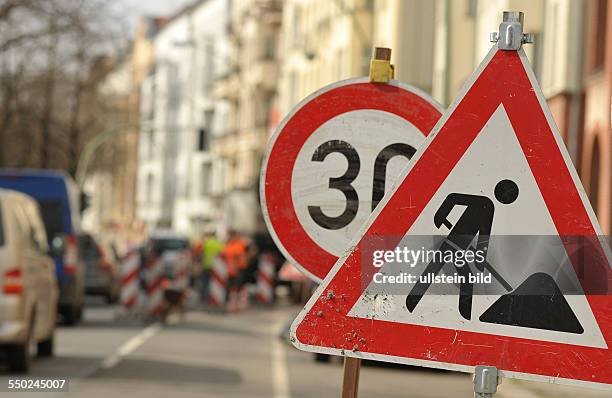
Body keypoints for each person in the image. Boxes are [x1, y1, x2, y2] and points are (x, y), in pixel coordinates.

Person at [406, 179, 519, 320]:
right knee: (435, 272)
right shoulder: (485, 204)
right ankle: (412, 303)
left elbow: (484, 236)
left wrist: (480, 258)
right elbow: (454, 198)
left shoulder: (487, 206)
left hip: (457, 249)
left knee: (445, 273)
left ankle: (463, 315)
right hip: (451, 244)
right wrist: (440, 217)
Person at [223, 230, 249, 311]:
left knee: (237, 286)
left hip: (239, 268)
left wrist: (236, 266)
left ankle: (239, 303)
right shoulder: (229, 244)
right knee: (233, 286)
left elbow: (238, 256)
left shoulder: (239, 244)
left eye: (230, 235)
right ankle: (235, 303)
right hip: (231, 269)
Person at [199, 232, 224, 303]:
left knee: (205, 282)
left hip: (206, 265)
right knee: (214, 283)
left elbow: (201, 253)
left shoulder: (207, 243)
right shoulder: (219, 244)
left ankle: (204, 297)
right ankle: (213, 296)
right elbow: (222, 254)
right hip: (216, 267)